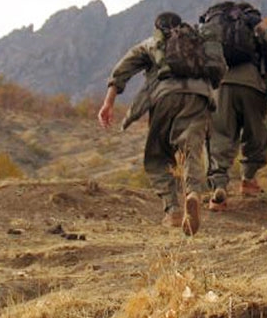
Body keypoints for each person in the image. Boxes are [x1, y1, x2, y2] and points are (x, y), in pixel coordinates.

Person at [97, 12, 226, 236]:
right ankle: (193, 192)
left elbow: (123, 69)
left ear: (158, 27)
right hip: (199, 97)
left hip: (165, 97)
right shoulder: (197, 42)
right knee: (191, 147)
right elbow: (218, 70)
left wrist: (108, 102)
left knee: (157, 156)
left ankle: (173, 209)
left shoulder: (153, 43)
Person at [205, 2, 267, 210]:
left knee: (220, 135)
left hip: (220, 86)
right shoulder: (254, 23)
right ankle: (248, 180)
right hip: (252, 84)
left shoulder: (217, 28)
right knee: (255, 133)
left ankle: (218, 189)